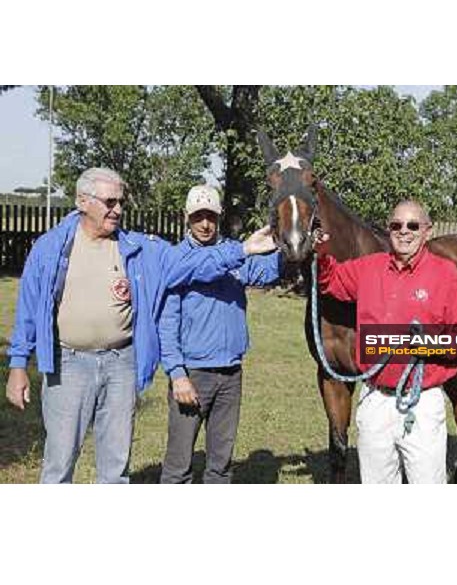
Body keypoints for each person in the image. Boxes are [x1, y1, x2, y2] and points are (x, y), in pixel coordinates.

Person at [5, 167, 276, 484]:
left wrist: (241, 249)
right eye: (109, 202)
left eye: (121, 202)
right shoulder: (50, 248)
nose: (117, 209)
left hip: (122, 364)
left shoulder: (140, 249)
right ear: (82, 201)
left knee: (116, 463)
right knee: (59, 461)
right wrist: (19, 364)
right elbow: (28, 307)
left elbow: (191, 264)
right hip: (69, 365)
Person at [313, 200, 457, 484]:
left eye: (413, 225)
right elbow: (331, 280)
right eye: (396, 225)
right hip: (375, 399)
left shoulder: (445, 273)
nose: (404, 231)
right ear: (389, 230)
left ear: (427, 231)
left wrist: (427, 347)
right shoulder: (368, 267)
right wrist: (321, 252)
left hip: (422, 402)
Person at [158, 184, 282, 484]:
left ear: (219, 217)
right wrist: (177, 375)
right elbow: (166, 323)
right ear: (186, 218)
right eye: (198, 216)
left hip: (230, 373)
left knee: (221, 464)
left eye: (210, 216)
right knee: (178, 464)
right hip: (193, 373)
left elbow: (264, 272)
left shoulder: (232, 252)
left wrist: (292, 246)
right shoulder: (177, 259)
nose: (205, 224)